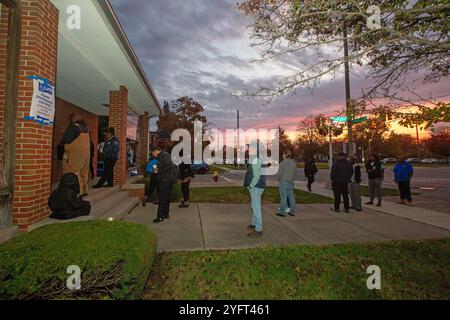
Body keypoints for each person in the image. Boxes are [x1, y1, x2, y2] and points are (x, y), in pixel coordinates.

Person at [59, 112, 91, 197]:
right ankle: (84, 190)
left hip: (75, 153)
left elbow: (66, 139)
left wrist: (62, 136)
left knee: (73, 172)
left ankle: (77, 192)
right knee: (84, 172)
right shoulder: (85, 128)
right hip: (86, 154)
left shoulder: (74, 127)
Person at [244, 141, 266, 238]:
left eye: (251, 148)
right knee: (254, 205)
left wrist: (251, 185)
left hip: (256, 187)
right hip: (256, 186)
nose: (249, 150)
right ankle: (254, 223)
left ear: (256, 149)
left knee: (256, 208)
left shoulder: (256, 159)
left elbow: (256, 176)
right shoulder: (255, 159)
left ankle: (258, 230)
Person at [151, 146, 178, 223]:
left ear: (156, 150)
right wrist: (155, 169)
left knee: (162, 198)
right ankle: (166, 214)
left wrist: (157, 170)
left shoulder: (164, 155)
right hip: (166, 179)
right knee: (166, 198)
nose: (153, 155)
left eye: (153, 153)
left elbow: (168, 166)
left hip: (166, 180)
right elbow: (162, 167)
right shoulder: (161, 156)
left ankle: (160, 217)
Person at [276, 151, 297, 217]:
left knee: (283, 198)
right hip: (291, 182)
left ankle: (282, 212)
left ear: (284, 155)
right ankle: (292, 211)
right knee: (291, 197)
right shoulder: (294, 163)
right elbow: (294, 173)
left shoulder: (282, 163)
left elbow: (279, 174)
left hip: (283, 182)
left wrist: (280, 180)